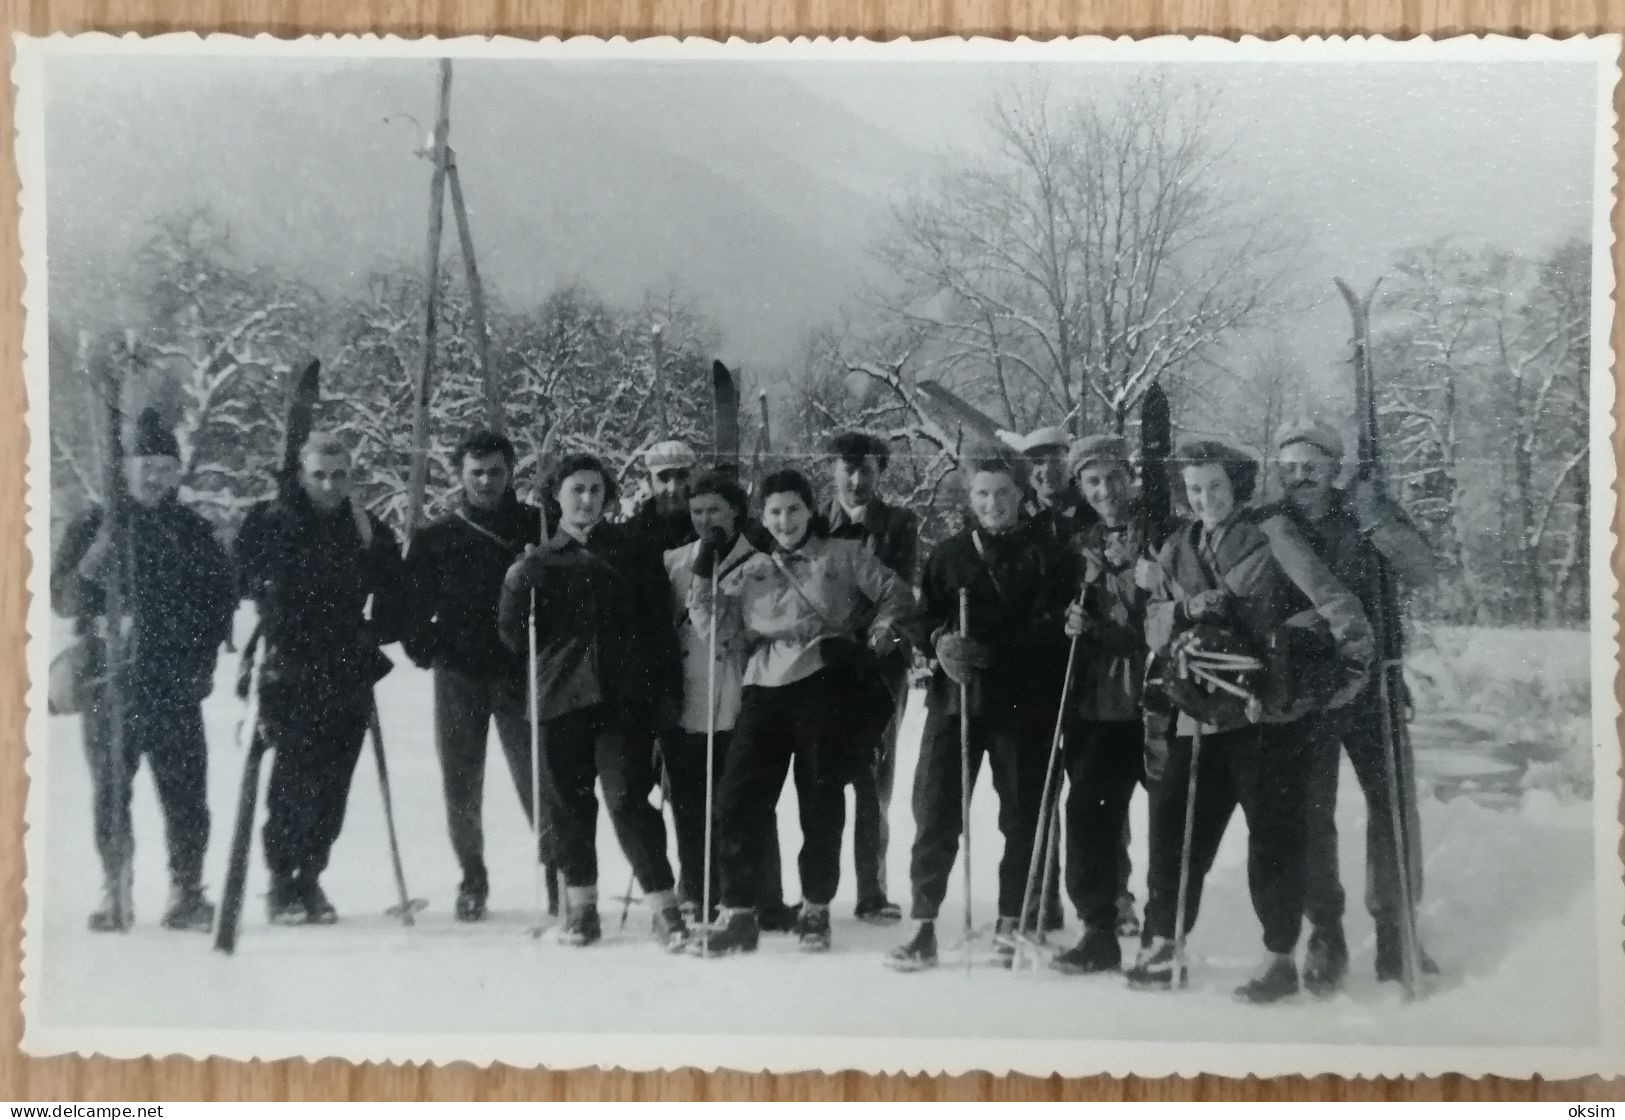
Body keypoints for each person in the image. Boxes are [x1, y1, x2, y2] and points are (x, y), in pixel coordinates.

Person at [1130, 439, 1373, 1003]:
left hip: (1265, 715)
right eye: (1193, 489)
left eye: (1215, 486)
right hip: (1196, 715)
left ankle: (1278, 958)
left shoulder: (1274, 534)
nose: (1205, 498)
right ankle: (1166, 943)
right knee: (1175, 831)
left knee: (1273, 839)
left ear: (1237, 485)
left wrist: (1346, 675)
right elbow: (1153, 622)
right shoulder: (1178, 545)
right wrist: (1186, 612)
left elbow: (1335, 603)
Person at [688, 468, 913, 955]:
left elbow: (899, 595)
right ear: (761, 516)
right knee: (736, 800)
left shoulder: (844, 556)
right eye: (774, 511)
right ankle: (739, 912)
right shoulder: (749, 568)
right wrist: (704, 579)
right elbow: (719, 635)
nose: (785, 520)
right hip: (764, 687)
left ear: (811, 510)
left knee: (820, 799)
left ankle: (815, 909)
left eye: (794, 509)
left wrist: (880, 636)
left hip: (824, 681)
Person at [50, 408, 235, 932]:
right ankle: (116, 890)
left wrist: (200, 666)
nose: (154, 477)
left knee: (186, 796)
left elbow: (221, 604)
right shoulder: (92, 524)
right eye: (144, 465)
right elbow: (63, 601)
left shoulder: (193, 530)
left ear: (178, 473)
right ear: (125, 469)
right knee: (111, 793)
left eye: (164, 467)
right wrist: (95, 557)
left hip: (175, 686)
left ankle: (187, 891)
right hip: (110, 685)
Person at [1271, 417, 1439, 990]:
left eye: (1310, 467)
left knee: (1391, 810)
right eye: (1288, 469)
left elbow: (1422, 571)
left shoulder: (1366, 511)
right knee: (1310, 812)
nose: (1299, 479)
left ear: (1335, 468)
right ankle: (1325, 931)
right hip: (1311, 690)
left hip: (1378, 688)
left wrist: (1377, 519)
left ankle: (1396, 931)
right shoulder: (1274, 526)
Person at [886, 456, 1072, 972]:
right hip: (956, 704)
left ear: (1021, 495)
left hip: (1021, 705)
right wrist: (940, 640)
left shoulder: (1046, 555)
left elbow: (1052, 630)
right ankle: (924, 924)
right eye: (983, 495)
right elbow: (923, 616)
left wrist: (994, 652)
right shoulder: (948, 555)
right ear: (971, 498)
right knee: (936, 810)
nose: (993, 505)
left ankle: (1014, 920)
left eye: (1003, 494)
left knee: (1023, 813)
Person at [496, 453, 688, 949]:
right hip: (561, 699)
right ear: (556, 497)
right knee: (567, 806)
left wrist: (667, 695)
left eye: (596, 490)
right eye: (576, 490)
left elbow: (660, 630)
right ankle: (581, 908)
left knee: (627, 799)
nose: (586, 500)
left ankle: (665, 908)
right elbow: (514, 639)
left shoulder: (632, 551)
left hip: (623, 701)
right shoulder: (536, 563)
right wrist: (516, 585)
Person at [233, 431, 405, 925]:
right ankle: (281, 879)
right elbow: (239, 574)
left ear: (351, 477)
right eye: (318, 476)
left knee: (333, 782)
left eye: (339, 475)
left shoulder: (366, 528)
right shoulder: (269, 520)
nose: (330, 486)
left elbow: (395, 595)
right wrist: (264, 574)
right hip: (287, 666)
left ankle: (311, 876)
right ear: (301, 477)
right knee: (293, 775)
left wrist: (373, 630)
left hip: (345, 669)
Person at [401, 428, 557, 922]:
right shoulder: (435, 538)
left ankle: (556, 870)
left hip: (519, 673)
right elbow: (409, 606)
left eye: (495, 471)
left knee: (538, 778)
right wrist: (426, 647)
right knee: (461, 782)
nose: (487, 481)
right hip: (459, 676)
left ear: (511, 472)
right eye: (476, 472)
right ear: (459, 474)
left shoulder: (538, 528)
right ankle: (472, 876)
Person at [660, 471, 794, 930]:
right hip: (688, 700)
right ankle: (697, 891)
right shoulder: (675, 563)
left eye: (715, 510)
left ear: (736, 512)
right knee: (689, 802)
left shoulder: (761, 564)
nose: (705, 521)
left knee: (745, 802)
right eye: (696, 512)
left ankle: (764, 895)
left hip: (738, 696)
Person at [1051, 435, 1152, 975]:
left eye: (1113, 477)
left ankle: (1163, 929)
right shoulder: (1078, 544)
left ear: (1130, 478)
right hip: (1096, 703)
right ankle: (1097, 929)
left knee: (1169, 815)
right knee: (1088, 815)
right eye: (1093, 481)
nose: (1105, 489)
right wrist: (1071, 622)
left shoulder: (1160, 533)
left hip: (1158, 699)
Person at [822, 430, 919, 925]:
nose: (857, 480)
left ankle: (872, 890)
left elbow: (903, 596)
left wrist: (883, 638)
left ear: (881, 473)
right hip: (821, 664)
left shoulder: (899, 525)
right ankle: (812, 891)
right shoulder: (813, 522)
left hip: (878, 669)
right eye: (848, 469)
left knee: (871, 779)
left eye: (867, 470)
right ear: (833, 469)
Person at [1017, 426, 1097, 545]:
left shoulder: (1093, 510)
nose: (1047, 470)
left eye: (1056, 460)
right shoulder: (1019, 516)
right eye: (1037, 462)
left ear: (1070, 466)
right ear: (1027, 470)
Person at [628, 439, 699, 552]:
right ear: (650, 482)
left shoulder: (707, 528)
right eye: (663, 478)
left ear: (694, 478)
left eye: (681, 476)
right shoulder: (633, 534)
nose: (672, 488)